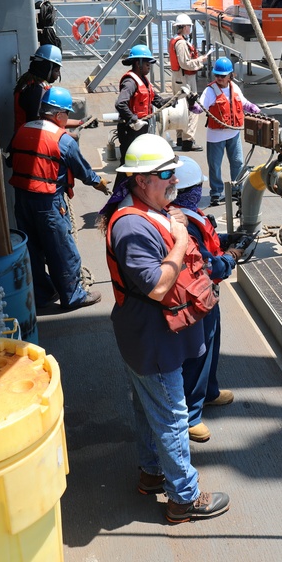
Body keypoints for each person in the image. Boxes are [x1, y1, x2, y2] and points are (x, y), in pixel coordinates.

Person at [100, 134, 230, 523]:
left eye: (174, 172)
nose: (174, 180)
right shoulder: (132, 228)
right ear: (141, 181)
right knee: (172, 415)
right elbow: (157, 286)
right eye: (165, 174)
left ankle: (152, 472)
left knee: (147, 408)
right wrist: (179, 239)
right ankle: (184, 499)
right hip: (152, 337)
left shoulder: (153, 211)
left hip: (153, 335)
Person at [7, 86, 109, 311]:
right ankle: (73, 296)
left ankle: (43, 293)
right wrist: (99, 184)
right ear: (58, 115)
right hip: (48, 204)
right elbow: (83, 171)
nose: (68, 118)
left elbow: (10, 159)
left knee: (32, 249)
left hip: (22, 200)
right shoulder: (64, 141)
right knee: (61, 249)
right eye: (67, 114)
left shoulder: (22, 130)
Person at [173, 157, 243, 442]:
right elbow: (206, 265)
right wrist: (230, 258)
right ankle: (190, 416)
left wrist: (227, 239)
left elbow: (208, 241)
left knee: (212, 347)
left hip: (207, 295)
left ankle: (209, 392)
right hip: (194, 299)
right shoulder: (181, 224)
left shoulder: (193, 215)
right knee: (197, 354)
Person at [196, 57, 261, 207]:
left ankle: (236, 189)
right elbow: (199, 109)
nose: (219, 78)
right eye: (216, 75)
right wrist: (192, 103)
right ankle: (216, 193)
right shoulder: (209, 91)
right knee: (215, 165)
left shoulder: (234, 88)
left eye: (222, 76)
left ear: (230, 75)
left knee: (237, 163)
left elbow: (244, 103)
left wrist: (255, 109)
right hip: (215, 135)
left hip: (234, 134)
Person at [115, 45, 164, 169]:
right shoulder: (130, 82)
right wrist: (133, 118)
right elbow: (120, 103)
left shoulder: (144, 81)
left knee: (139, 161)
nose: (149, 67)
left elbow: (158, 101)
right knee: (128, 162)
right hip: (130, 128)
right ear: (138, 63)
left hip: (141, 127)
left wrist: (177, 99)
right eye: (147, 64)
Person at [168, 13, 208, 152]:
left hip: (178, 77)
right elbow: (185, 63)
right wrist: (200, 61)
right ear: (184, 27)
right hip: (185, 80)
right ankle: (188, 140)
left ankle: (180, 138)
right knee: (192, 109)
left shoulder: (175, 40)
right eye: (189, 26)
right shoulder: (181, 43)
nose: (190, 28)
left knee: (180, 109)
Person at [13, 44, 61, 133]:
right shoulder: (35, 91)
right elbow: (38, 124)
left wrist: (79, 122)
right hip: (29, 141)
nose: (58, 75)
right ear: (46, 68)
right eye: (56, 70)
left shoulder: (27, 83)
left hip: (22, 136)